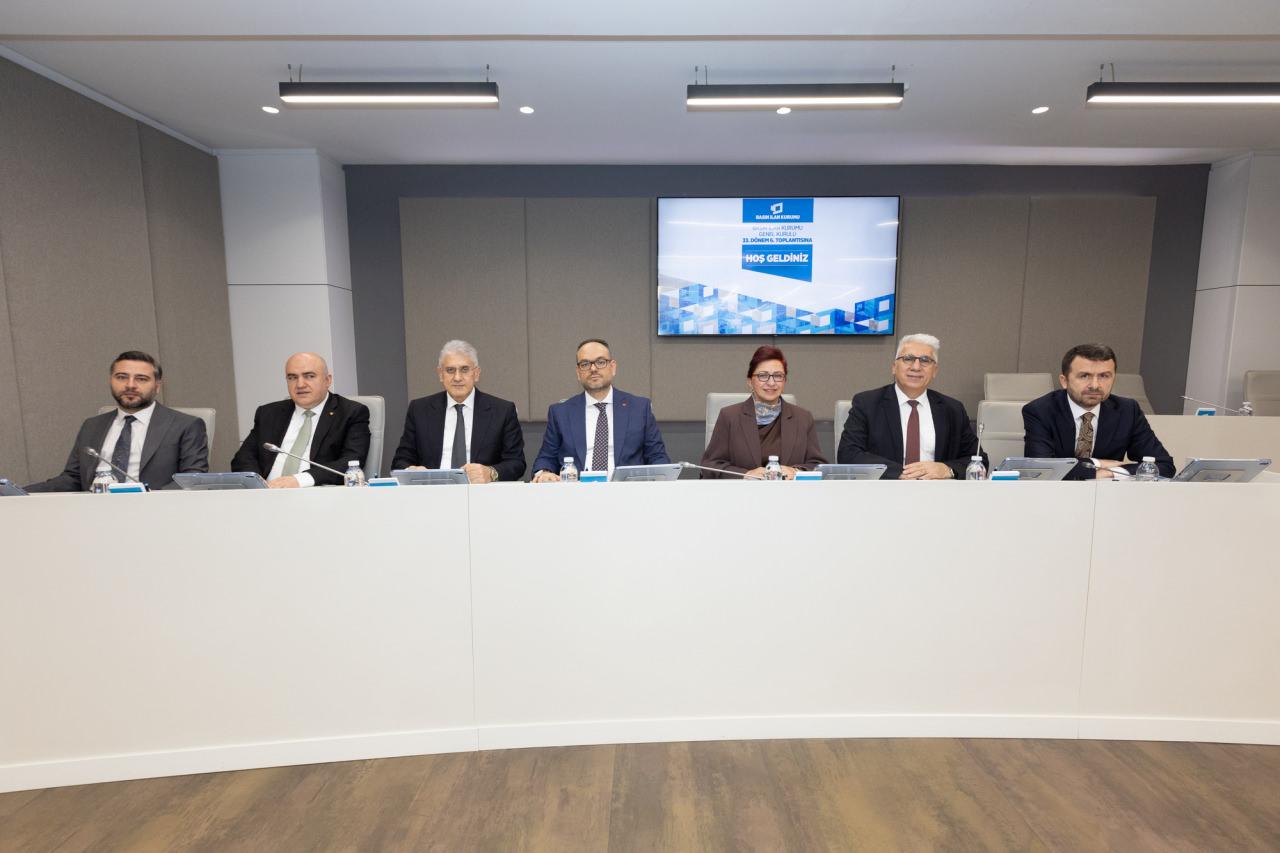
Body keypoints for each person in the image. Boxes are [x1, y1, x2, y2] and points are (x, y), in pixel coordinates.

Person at [25, 350, 208, 491]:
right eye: (121, 377)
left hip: (152, 513)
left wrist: (150, 499)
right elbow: (73, 479)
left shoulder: (185, 426)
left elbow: (192, 480)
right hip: (93, 512)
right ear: (111, 380)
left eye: (141, 379)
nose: (130, 385)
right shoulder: (92, 425)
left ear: (157, 386)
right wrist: (21, 492)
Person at [837, 333, 983, 480]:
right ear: (894, 367)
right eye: (908, 359)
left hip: (937, 489)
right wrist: (899, 473)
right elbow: (848, 454)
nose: (916, 367)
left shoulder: (952, 409)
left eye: (925, 360)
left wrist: (947, 469)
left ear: (935, 371)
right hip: (885, 488)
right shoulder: (867, 403)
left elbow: (978, 458)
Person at [1022, 343, 1174, 480]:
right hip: (1056, 495)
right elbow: (1042, 469)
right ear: (1064, 381)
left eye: (1104, 376)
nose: (1095, 385)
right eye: (1084, 376)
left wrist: (1111, 472)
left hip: (1109, 495)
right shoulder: (1040, 411)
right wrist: (1098, 464)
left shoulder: (1128, 410)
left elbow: (1163, 466)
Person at [532, 339, 670, 481]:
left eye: (600, 362)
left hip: (626, 490)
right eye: (585, 364)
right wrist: (544, 473)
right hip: (577, 491)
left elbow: (657, 456)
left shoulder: (639, 408)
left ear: (613, 367)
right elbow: (546, 458)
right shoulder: (561, 413)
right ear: (578, 372)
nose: (593, 369)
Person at [391, 340, 526, 483]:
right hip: (432, 490)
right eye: (450, 370)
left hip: (480, 491)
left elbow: (516, 463)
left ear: (476, 373)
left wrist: (491, 473)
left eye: (464, 370)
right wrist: (411, 470)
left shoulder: (502, 411)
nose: (457, 378)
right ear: (440, 374)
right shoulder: (419, 410)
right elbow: (401, 460)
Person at [230, 352, 370, 488]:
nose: (300, 384)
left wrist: (299, 480)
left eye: (309, 376)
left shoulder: (351, 413)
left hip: (316, 494)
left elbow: (351, 462)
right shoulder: (268, 413)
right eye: (292, 377)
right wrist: (258, 485)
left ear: (327, 380)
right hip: (266, 493)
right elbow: (243, 459)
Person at [700, 345, 826, 479]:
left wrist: (796, 471)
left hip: (789, 491)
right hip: (743, 491)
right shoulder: (730, 416)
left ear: (784, 381)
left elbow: (817, 465)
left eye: (778, 376)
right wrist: (745, 474)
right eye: (763, 376)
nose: (771, 382)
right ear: (750, 381)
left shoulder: (803, 418)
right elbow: (710, 465)